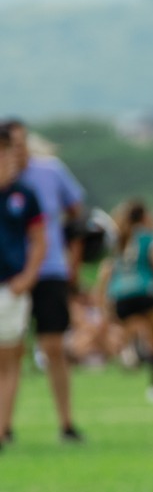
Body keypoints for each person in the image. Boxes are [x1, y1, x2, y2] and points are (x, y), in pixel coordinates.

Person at [4, 119, 85, 442]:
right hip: (10, 276)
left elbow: (75, 213)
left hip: (49, 270)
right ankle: (5, 426)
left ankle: (66, 423)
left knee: (54, 346)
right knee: (10, 352)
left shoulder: (50, 171)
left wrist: (73, 258)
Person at [98, 200, 153, 401]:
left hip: (121, 294)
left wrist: (104, 299)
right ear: (143, 216)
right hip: (145, 291)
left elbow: (107, 270)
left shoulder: (118, 239)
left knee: (129, 331)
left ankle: (128, 351)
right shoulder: (150, 238)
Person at [0, 126, 46, 449]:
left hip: (11, 286)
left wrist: (28, 277)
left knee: (9, 358)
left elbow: (39, 239)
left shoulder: (24, 194)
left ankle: (2, 429)